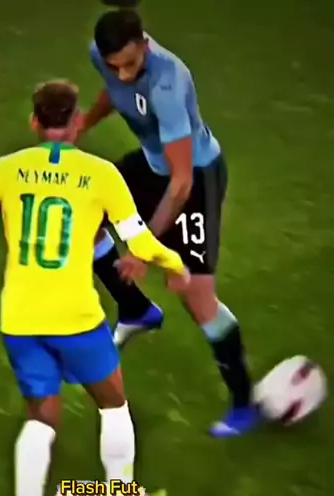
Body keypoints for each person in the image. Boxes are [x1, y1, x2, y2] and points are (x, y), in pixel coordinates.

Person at [0, 80, 190, 496]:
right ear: (77, 122)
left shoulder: (5, 170)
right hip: (76, 318)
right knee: (113, 405)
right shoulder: (100, 175)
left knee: (41, 419)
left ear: (35, 122)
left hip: (21, 319)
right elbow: (138, 242)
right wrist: (174, 263)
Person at [81, 8, 260, 438]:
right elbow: (114, 91)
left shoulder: (168, 83)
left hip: (195, 178)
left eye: (131, 65)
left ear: (145, 45)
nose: (123, 75)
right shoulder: (103, 58)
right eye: (114, 66)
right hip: (151, 165)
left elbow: (180, 184)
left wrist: (144, 249)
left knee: (196, 296)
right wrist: (84, 124)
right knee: (83, 215)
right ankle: (136, 309)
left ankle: (245, 402)